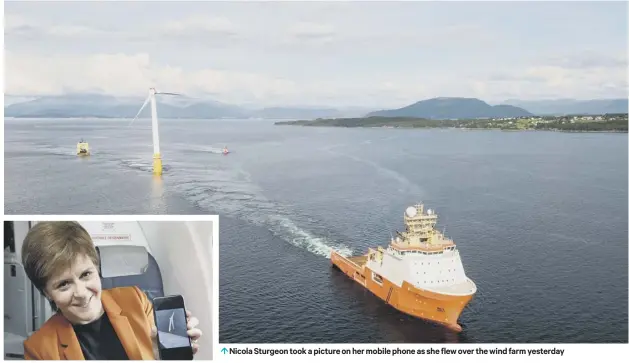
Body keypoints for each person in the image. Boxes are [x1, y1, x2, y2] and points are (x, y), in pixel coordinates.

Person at [20, 221, 203, 360]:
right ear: (46, 293)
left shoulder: (135, 299)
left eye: (85, 274)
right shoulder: (39, 349)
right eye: (63, 284)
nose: (82, 293)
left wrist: (159, 356)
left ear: (97, 269)